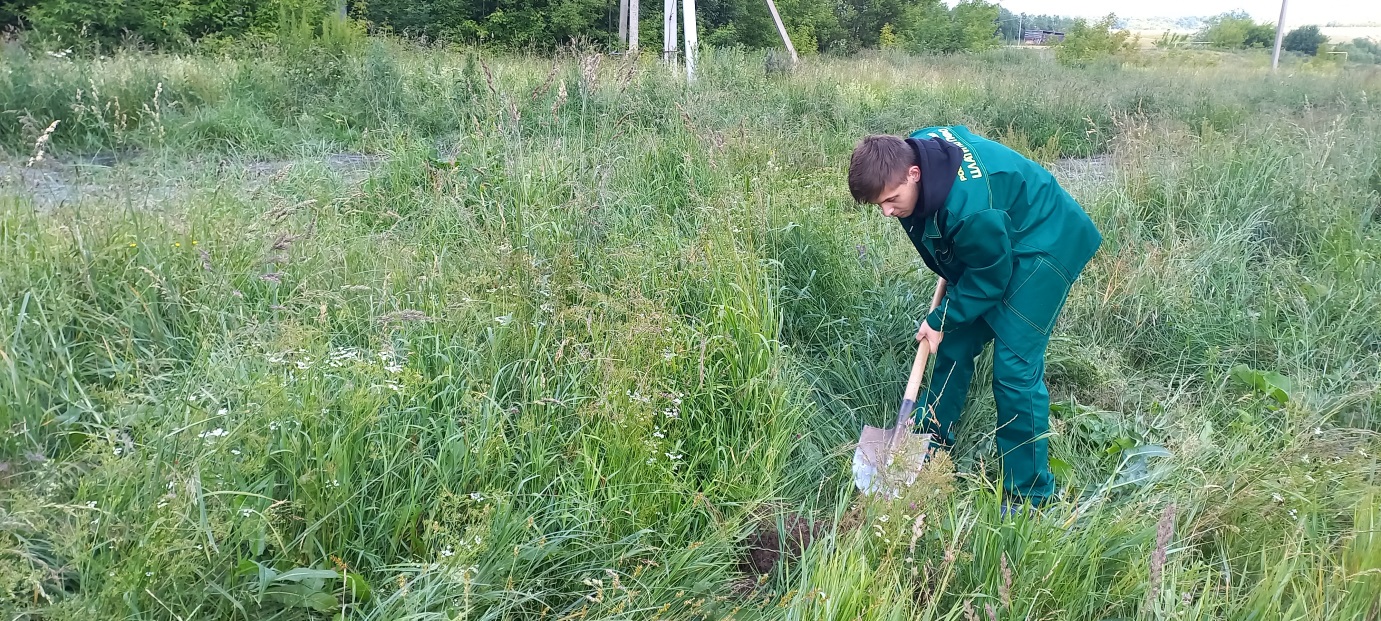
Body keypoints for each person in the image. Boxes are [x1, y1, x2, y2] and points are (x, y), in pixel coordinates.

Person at [846, 125, 1102, 513]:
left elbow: (990, 278)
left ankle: (1029, 496)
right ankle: (929, 439)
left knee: (1014, 370)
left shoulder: (970, 209)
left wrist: (941, 315)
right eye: (879, 204)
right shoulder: (911, 154)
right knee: (953, 338)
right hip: (999, 236)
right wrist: (946, 319)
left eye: (892, 200)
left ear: (914, 174)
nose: (886, 211)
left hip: (1045, 241)